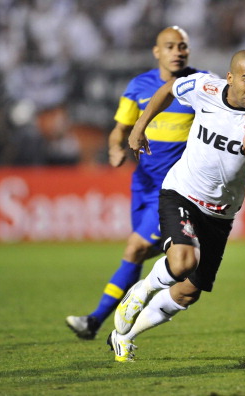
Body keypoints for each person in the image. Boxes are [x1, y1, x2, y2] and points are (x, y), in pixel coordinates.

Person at [106, 50, 245, 362]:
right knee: (184, 261)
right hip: (182, 193)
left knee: (189, 292)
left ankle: (123, 336)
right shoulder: (205, 88)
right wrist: (139, 127)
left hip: (221, 212)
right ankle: (142, 290)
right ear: (230, 79)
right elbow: (166, 89)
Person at [66, 26, 209, 340]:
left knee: (136, 248)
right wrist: (115, 147)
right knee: (139, 253)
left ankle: (97, 320)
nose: (177, 51)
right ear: (157, 52)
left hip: (174, 188)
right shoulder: (138, 86)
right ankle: (117, 321)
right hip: (142, 183)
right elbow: (120, 129)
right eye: (170, 46)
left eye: (182, 46)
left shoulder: (200, 85)